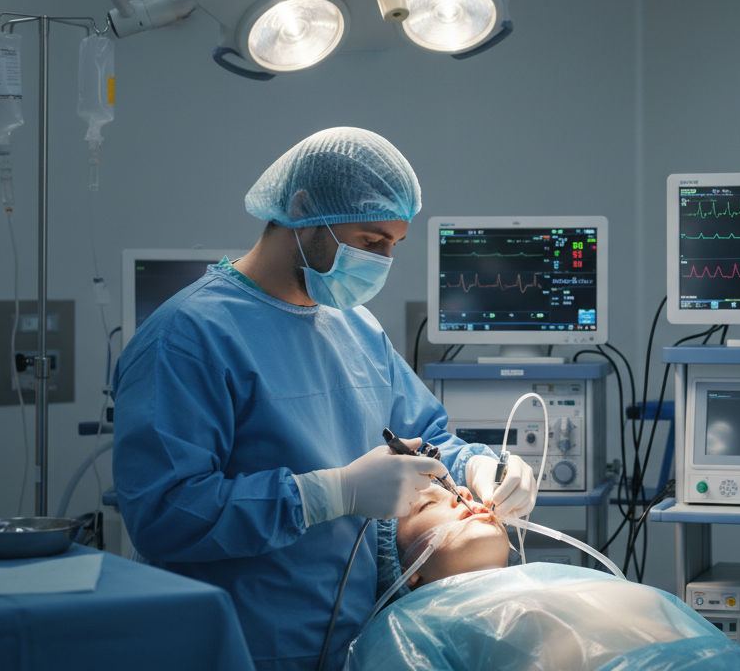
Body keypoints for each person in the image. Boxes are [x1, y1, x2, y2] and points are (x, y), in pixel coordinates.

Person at [113, 127, 538, 671]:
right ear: (303, 210)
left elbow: (424, 439)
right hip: (237, 645)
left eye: (393, 245)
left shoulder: (355, 328)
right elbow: (163, 512)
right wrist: (325, 494)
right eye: (370, 240)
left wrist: (478, 466)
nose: (383, 260)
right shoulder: (188, 336)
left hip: (350, 644)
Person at [347, 484, 740, 671]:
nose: (462, 496)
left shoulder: (557, 577)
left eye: (459, 488)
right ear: (407, 572)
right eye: (430, 504)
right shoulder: (408, 625)